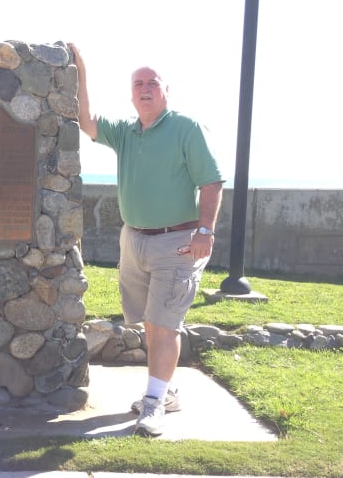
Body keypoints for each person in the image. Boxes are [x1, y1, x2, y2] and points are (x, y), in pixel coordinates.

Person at [68, 43, 224, 436]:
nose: (145, 89)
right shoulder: (125, 133)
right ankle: (166, 391)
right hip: (133, 240)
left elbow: (211, 181)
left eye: (152, 82)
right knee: (151, 326)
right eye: (138, 84)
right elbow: (86, 122)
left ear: (165, 90)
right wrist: (81, 69)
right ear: (131, 93)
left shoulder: (185, 128)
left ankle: (153, 404)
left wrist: (205, 231)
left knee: (164, 324)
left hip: (178, 242)